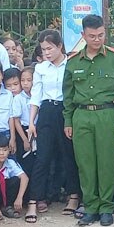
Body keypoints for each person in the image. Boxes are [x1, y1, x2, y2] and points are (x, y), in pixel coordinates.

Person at [63, 15, 114, 227]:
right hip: (81, 115)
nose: (97, 39)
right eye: (92, 36)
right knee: (85, 163)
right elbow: (67, 94)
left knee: (107, 162)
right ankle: (90, 207)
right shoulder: (73, 61)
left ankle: (106, 207)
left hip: (106, 114)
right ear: (83, 35)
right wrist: (68, 121)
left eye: (100, 35)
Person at [28, 30, 79, 215]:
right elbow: (36, 96)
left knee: (68, 155)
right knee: (43, 157)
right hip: (47, 111)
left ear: (59, 46)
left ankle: (74, 195)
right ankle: (34, 200)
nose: (46, 53)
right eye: (43, 49)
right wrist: (32, 122)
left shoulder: (72, 64)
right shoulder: (41, 68)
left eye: (50, 48)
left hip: (66, 111)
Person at [0, 135, 35, 222]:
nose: (2, 153)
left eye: (5, 150)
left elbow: (25, 178)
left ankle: (7, 207)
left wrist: (19, 197)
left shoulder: (10, 163)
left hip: (6, 194)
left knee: (15, 180)